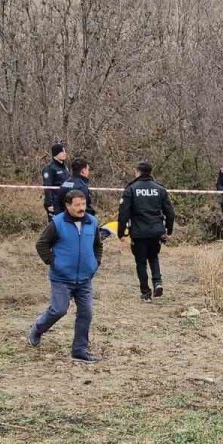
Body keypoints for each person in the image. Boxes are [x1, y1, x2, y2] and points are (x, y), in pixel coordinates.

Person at [27, 190, 103, 363]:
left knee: (86, 313)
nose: (81, 208)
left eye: (83, 204)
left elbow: (98, 245)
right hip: (62, 278)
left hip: (85, 279)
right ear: (68, 205)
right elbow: (41, 244)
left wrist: (95, 263)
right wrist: (54, 262)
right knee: (59, 309)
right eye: (77, 205)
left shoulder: (92, 222)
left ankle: (79, 350)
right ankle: (38, 329)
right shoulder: (57, 223)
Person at [118, 162, 176, 302]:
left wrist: (121, 232)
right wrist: (169, 229)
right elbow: (170, 211)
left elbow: (123, 213)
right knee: (154, 257)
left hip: (138, 232)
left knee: (141, 262)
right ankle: (158, 283)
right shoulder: (160, 189)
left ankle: (146, 293)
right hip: (156, 231)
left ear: (137, 172)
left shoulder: (131, 189)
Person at [42, 142, 69, 218]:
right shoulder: (49, 168)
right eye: (62, 152)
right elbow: (47, 187)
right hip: (55, 203)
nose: (64, 153)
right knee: (55, 226)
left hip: (65, 202)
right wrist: (49, 204)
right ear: (56, 153)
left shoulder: (65, 167)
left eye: (64, 151)